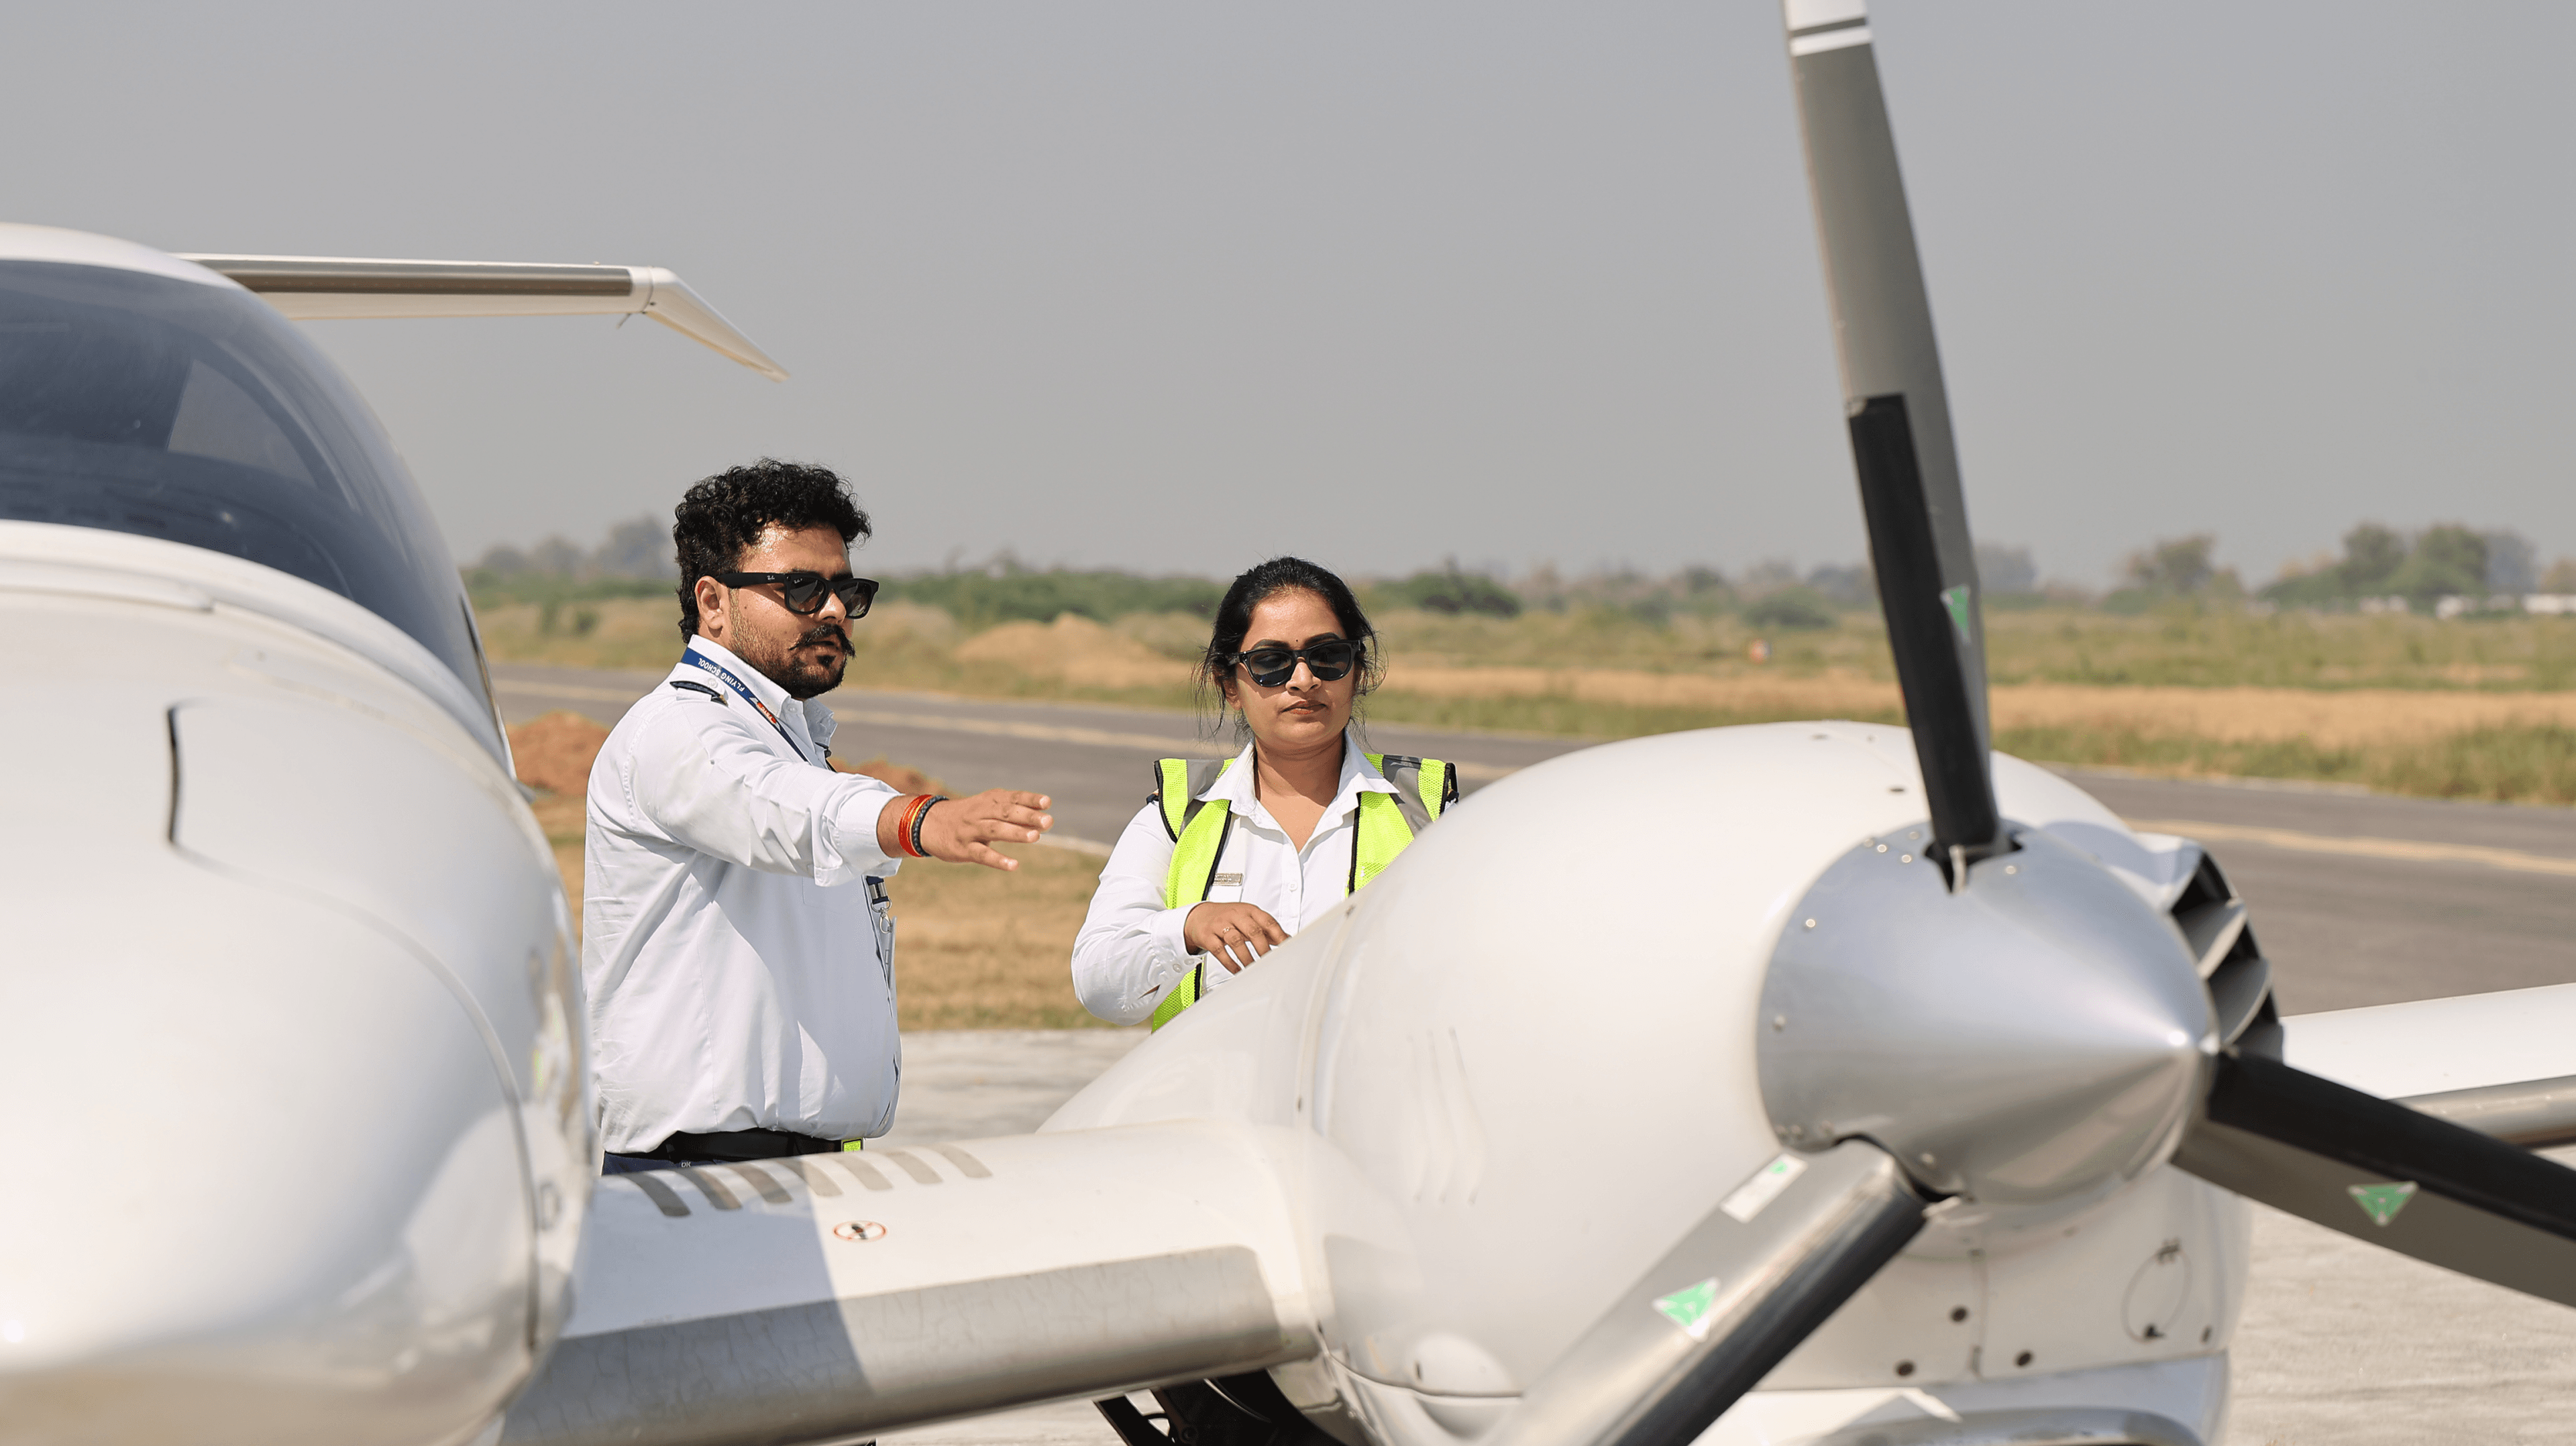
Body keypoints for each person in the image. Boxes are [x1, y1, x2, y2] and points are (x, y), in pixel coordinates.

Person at [585, 459, 1054, 1173]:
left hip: (801, 1170)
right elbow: (780, 806)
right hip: (698, 1178)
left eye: (845, 588)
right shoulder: (677, 729)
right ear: (713, 602)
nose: (832, 609)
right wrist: (916, 819)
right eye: (801, 587)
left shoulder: (790, 736)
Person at [1072, 557, 1456, 1030]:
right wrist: (1187, 929)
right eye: (1271, 663)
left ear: (1357, 671)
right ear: (1228, 684)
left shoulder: (1435, 814)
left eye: (1327, 656)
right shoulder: (1176, 816)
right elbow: (1099, 986)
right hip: (1212, 1100)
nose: (1303, 680)